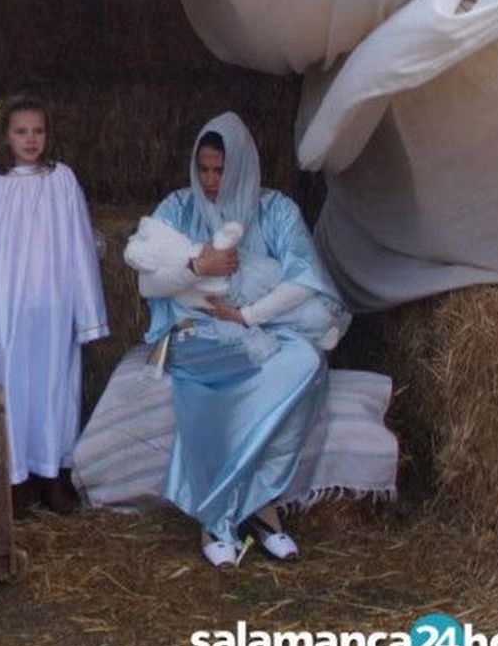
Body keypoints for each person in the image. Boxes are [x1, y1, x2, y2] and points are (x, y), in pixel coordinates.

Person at [124, 112, 349, 569]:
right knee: (221, 387)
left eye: (219, 170)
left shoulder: (276, 209)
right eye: (203, 169)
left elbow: (305, 280)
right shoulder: (178, 207)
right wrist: (195, 269)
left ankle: (247, 505)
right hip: (195, 332)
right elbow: (147, 280)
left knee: (306, 362)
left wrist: (246, 315)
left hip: (263, 326)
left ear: (242, 167)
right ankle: (232, 517)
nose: (209, 181)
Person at [0, 94, 108, 515]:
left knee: (57, 390)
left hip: (55, 309)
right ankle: (16, 481)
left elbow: (79, 247)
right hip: (10, 314)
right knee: (14, 393)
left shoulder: (62, 180)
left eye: (38, 130)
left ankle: (54, 477)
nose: (31, 139)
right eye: (22, 131)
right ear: (5, 136)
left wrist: (87, 314)